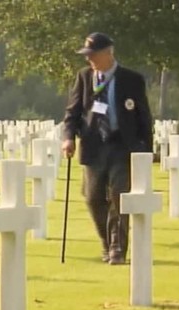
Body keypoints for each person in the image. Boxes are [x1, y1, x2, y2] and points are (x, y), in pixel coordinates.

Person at [62, 32, 153, 265]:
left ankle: (117, 249)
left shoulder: (131, 79)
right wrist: (69, 138)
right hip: (93, 146)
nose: (88, 59)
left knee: (119, 196)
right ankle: (106, 242)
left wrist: (145, 149)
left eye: (92, 55)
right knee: (93, 198)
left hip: (122, 145)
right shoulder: (84, 78)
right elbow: (72, 113)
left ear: (108, 53)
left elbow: (144, 116)